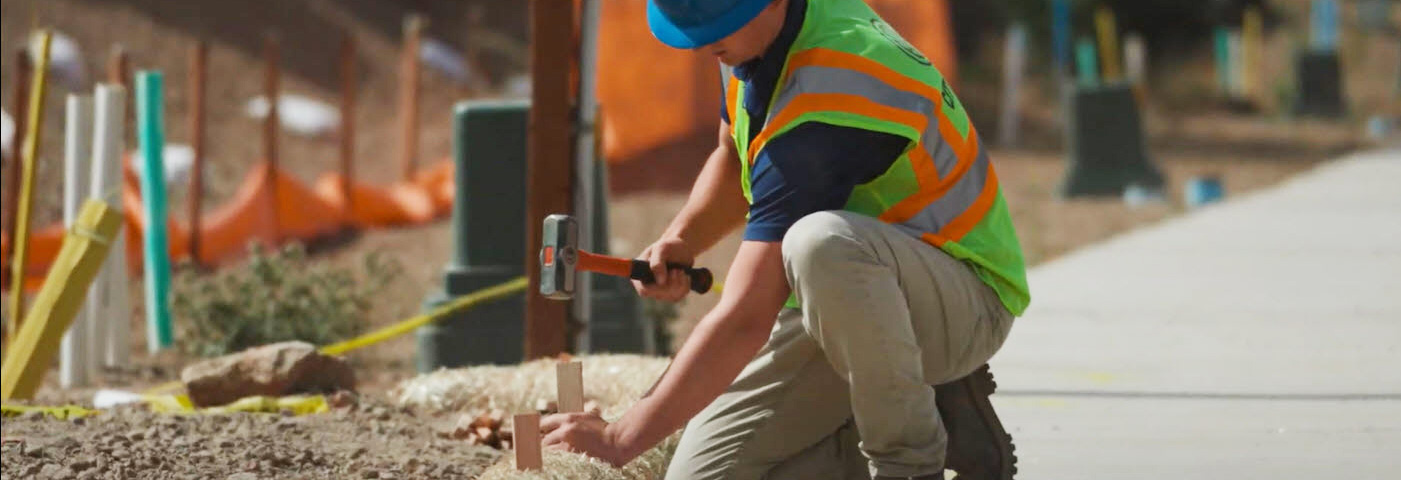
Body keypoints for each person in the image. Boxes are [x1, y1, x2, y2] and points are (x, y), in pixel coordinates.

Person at [540, 1, 1030, 479]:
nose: (698, 44)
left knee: (819, 243)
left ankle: (910, 461)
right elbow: (735, 157)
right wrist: (683, 239)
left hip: (960, 298)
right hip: (846, 300)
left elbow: (747, 316)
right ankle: (923, 415)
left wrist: (618, 440)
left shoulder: (834, 86)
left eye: (713, 24)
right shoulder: (750, 39)